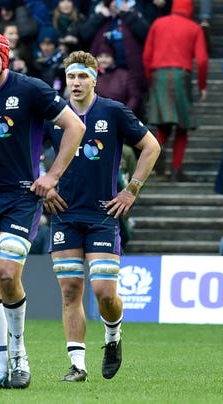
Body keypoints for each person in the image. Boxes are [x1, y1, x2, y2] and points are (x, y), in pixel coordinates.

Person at [0, 32, 86, 389]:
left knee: (7, 272)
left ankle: (19, 357)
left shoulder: (31, 89)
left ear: (4, 60)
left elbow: (75, 126)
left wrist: (52, 176)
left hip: (21, 196)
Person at [47, 51, 160, 382]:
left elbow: (152, 147)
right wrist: (44, 186)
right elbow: (27, 151)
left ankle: (113, 337)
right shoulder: (53, 115)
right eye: (71, 77)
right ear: (65, 80)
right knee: (70, 289)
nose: (77, 82)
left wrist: (131, 190)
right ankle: (77, 364)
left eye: (83, 76)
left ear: (95, 79)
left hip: (102, 215)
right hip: (64, 214)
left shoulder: (112, 111)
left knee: (104, 293)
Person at [142, 0, 208, 182]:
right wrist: (202, 86)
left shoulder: (158, 23)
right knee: (182, 126)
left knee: (163, 123)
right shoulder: (194, 28)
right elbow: (202, 60)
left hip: (158, 76)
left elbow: (147, 56)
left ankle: (158, 153)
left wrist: (150, 79)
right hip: (181, 76)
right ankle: (176, 170)